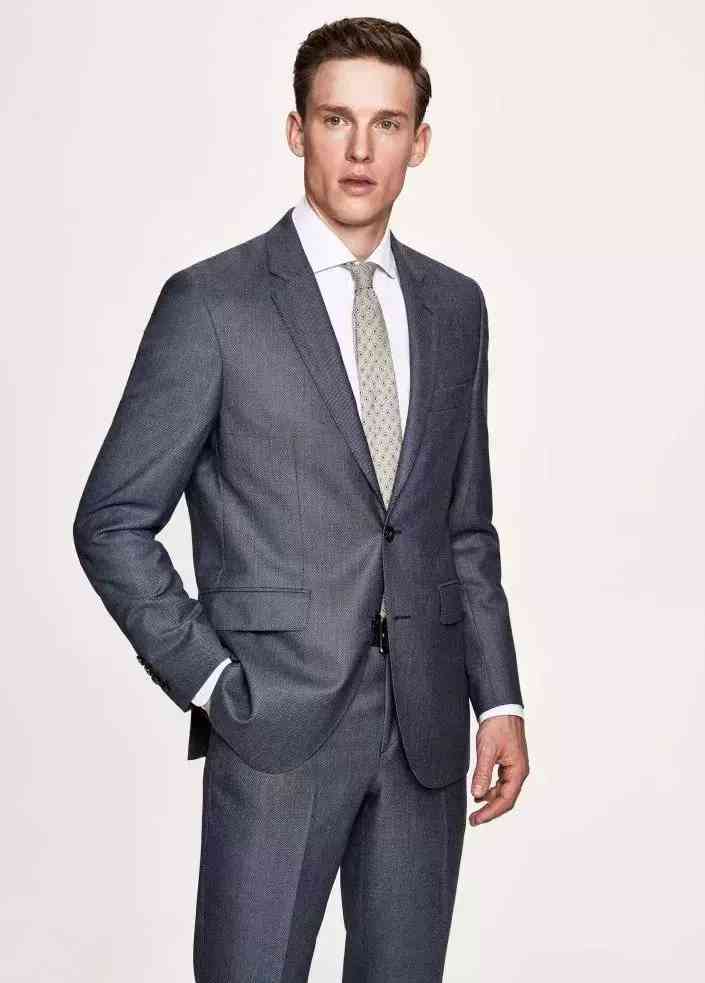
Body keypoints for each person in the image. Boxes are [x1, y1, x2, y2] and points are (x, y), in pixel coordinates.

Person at [73, 15, 530, 982]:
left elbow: (462, 526)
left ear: (419, 142)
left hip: (425, 728)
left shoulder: (456, 308)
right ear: (296, 131)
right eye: (335, 119)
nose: (361, 149)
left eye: (386, 123)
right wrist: (209, 680)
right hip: (274, 722)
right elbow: (112, 519)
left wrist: (498, 696)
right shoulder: (213, 304)